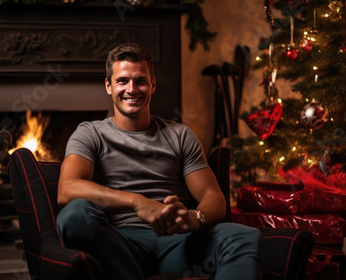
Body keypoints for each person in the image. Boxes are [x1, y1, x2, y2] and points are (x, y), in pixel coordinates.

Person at [56, 42, 261, 280]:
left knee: (245, 237)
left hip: (178, 243)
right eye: (122, 81)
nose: (132, 89)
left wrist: (195, 218)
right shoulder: (89, 133)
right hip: (120, 244)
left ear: (152, 85)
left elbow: (214, 198)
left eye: (140, 80)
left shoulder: (180, 135)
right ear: (108, 86)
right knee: (74, 214)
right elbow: (67, 189)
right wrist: (138, 203)